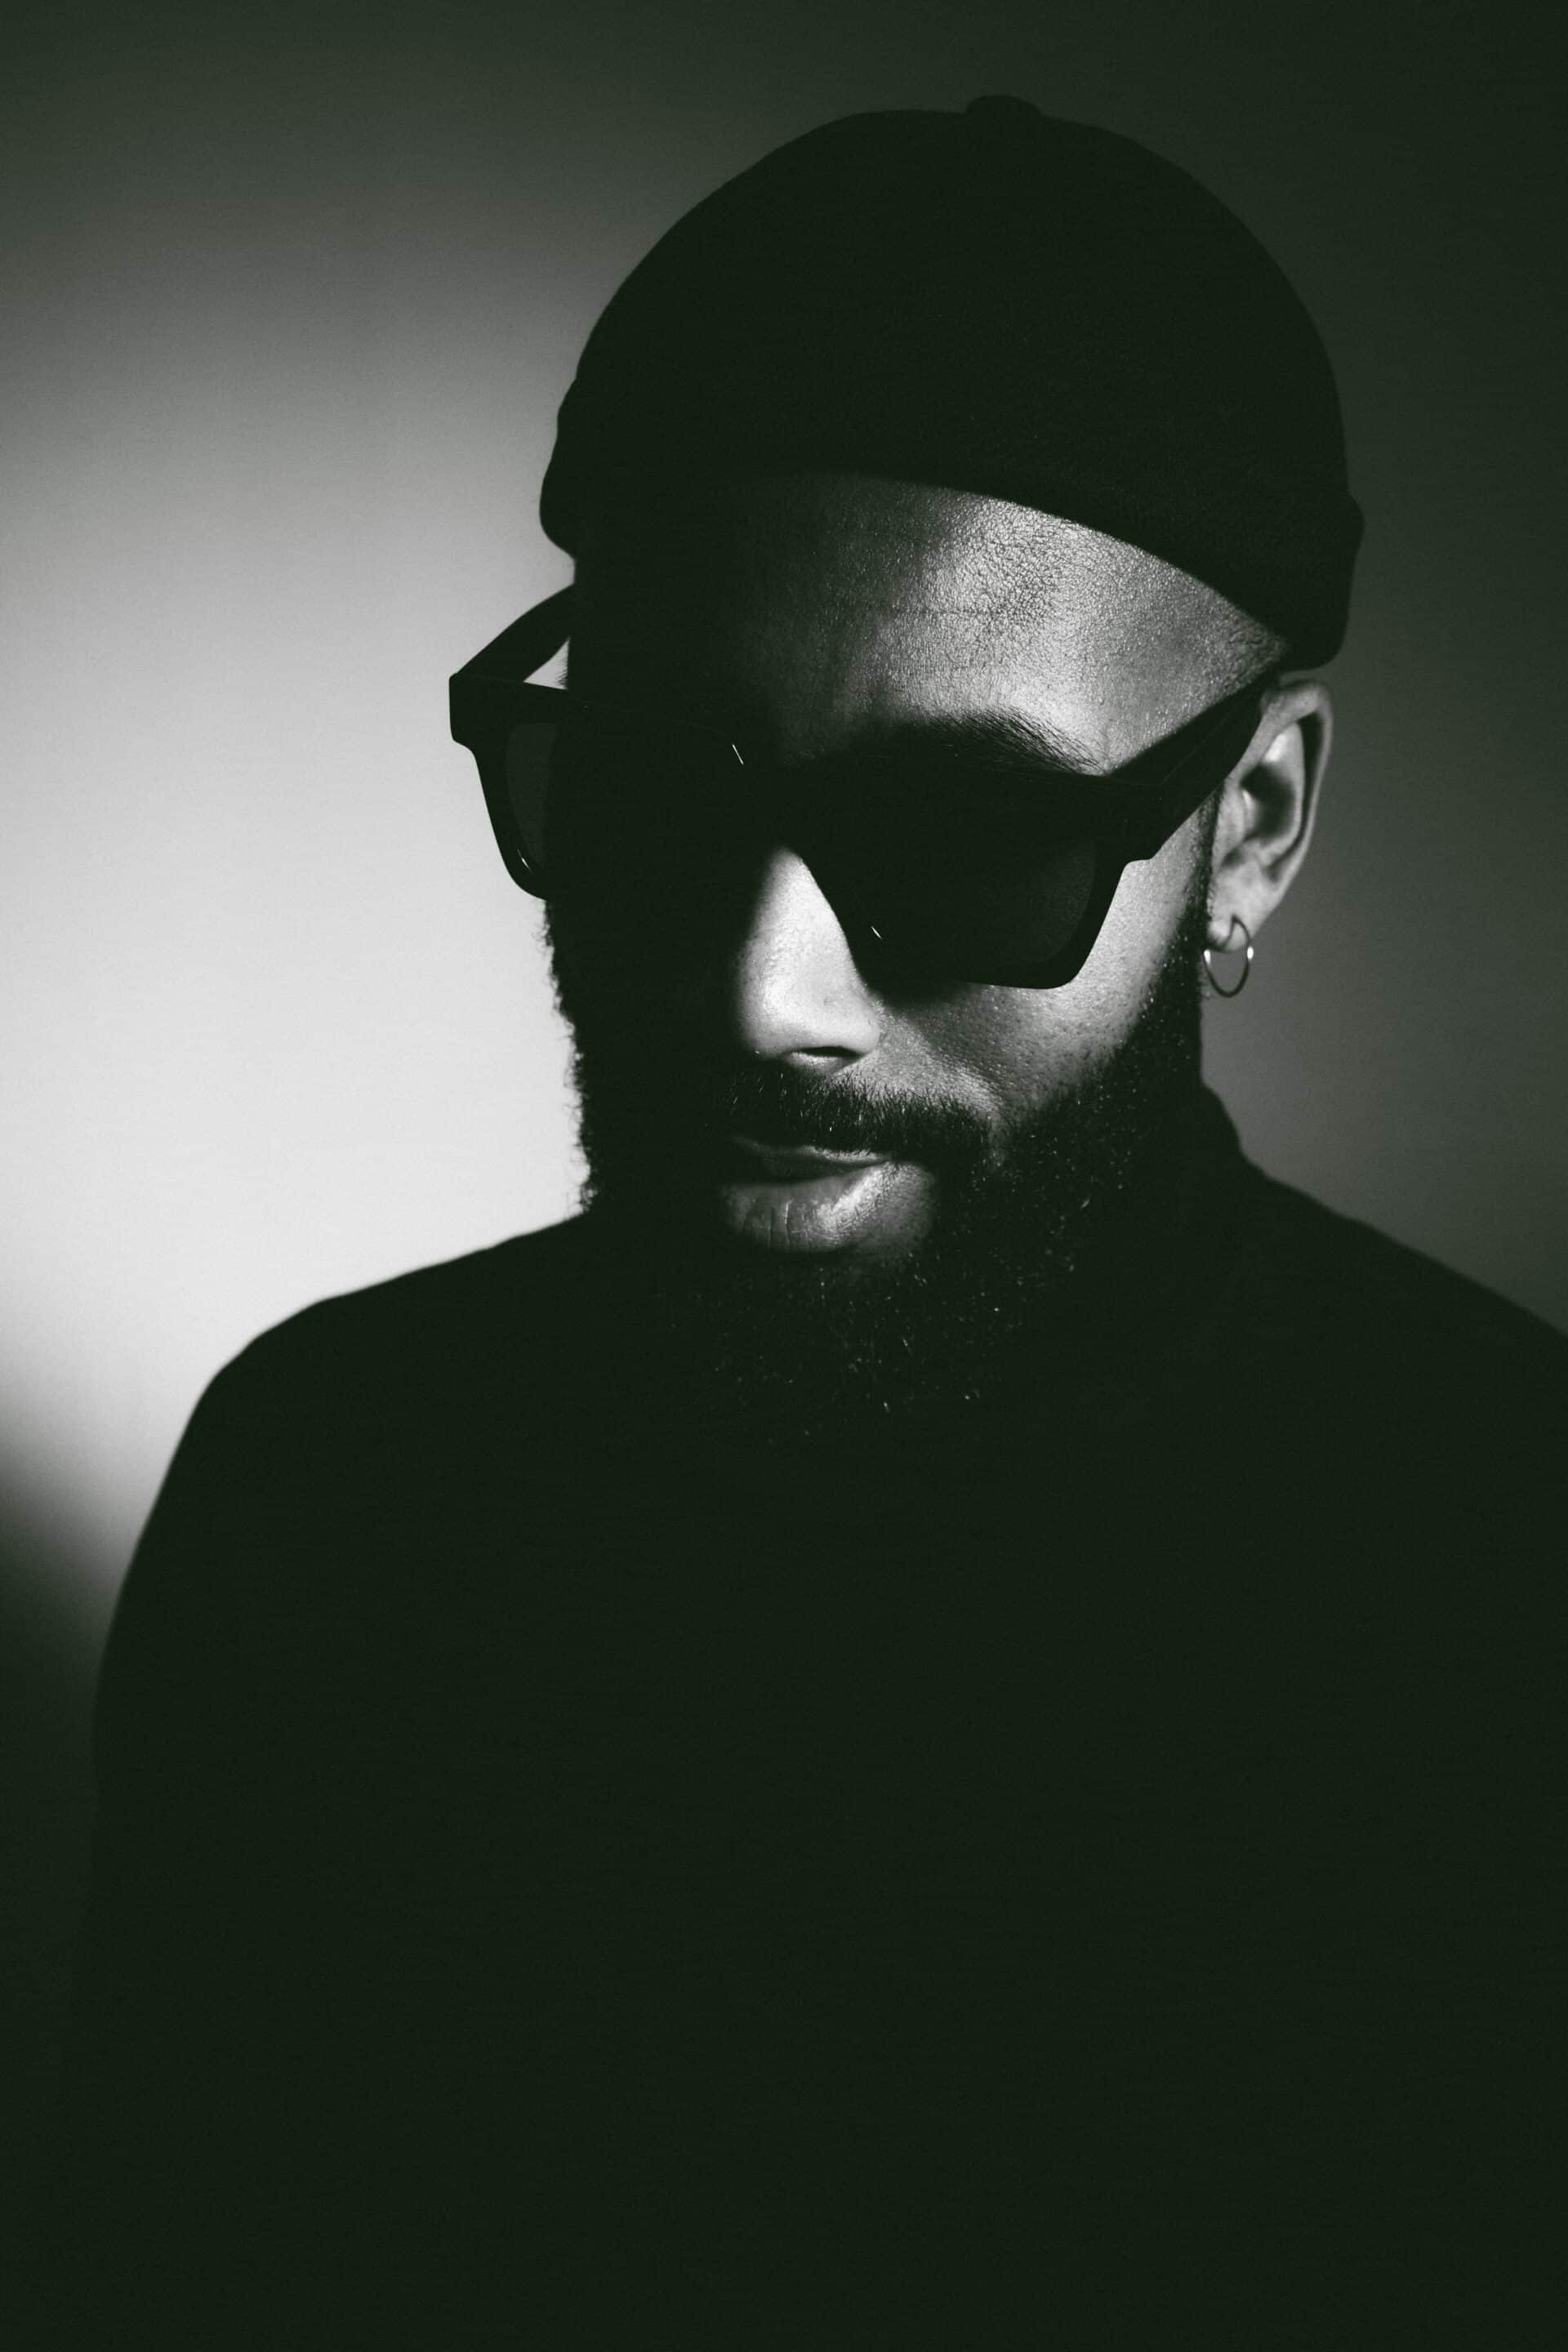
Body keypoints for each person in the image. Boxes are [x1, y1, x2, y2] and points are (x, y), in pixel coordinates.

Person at [37, 99, 1564, 2347]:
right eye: (658, 781)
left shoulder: (1510, 1573)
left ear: (1249, 829)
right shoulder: (324, 1494)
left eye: (962, 836)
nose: (763, 992)